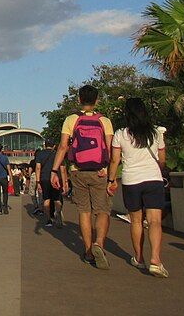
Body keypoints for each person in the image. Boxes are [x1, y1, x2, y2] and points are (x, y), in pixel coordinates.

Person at [50, 85, 113, 268]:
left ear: (79, 99)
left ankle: (88, 251)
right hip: (100, 171)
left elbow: (63, 146)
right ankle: (99, 243)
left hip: (78, 170)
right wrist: (108, 170)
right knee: (102, 210)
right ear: (97, 100)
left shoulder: (71, 120)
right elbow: (109, 148)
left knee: (84, 211)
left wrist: (55, 171)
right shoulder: (105, 121)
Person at [107, 98, 168, 277]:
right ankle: (155, 260)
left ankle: (139, 258)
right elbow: (162, 159)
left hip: (131, 180)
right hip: (153, 180)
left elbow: (114, 160)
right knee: (155, 221)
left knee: (136, 221)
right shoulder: (156, 133)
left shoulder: (121, 134)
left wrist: (111, 180)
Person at [35, 139, 67, 228]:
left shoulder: (40, 154)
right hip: (56, 178)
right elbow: (63, 169)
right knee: (57, 198)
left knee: (46, 199)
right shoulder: (57, 154)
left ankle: (49, 219)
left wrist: (38, 182)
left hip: (44, 178)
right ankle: (58, 216)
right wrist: (65, 183)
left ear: (45, 145)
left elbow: (38, 168)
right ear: (54, 146)